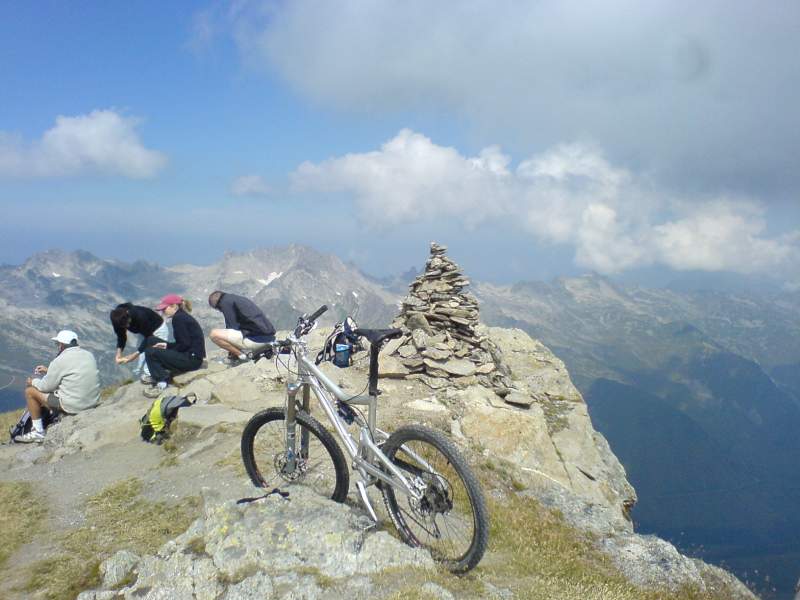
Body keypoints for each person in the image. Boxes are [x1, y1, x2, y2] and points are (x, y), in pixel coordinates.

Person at [15, 330, 100, 443]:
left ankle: (38, 432)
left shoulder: (59, 360)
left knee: (30, 391)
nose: (57, 346)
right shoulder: (89, 355)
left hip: (74, 406)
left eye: (58, 344)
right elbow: (72, 373)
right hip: (92, 402)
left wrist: (33, 381)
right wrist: (49, 371)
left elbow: (45, 387)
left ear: (62, 345)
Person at [143, 294, 205, 398]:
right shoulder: (180, 316)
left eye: (164, 308)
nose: (163, 311)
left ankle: (161, 382)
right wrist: (167, 346)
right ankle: (157, 372)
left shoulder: (178, 319)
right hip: (191, 355)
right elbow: (184, 343)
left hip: (192, 360)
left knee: (150, 352)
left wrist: (168, 347)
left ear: (174, 306)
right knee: (151, 340)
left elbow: (184, 345)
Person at [208, 290, 276, 363]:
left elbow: (232, 327)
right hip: (268, 337)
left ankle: (241, 356)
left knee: (213, 334)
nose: (220, 310)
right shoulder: (234, 298)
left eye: (218, 309)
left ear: (217, 305)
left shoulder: (225, 303)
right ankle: (239, 354)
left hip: (258, 340)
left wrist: (231, 350)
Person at [109, 302, 170, 380]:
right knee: (142, 357)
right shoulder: (117, 319)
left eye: (128, 323)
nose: (127, 326)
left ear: (128, 315)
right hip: (144, 332)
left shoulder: (140, 315)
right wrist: (118, 354)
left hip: (157, 329)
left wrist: (134, 355)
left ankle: (153, 376)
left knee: (153, 353)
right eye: (124, 326)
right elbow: (121, 336)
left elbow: (149, 338)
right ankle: (151, 374)